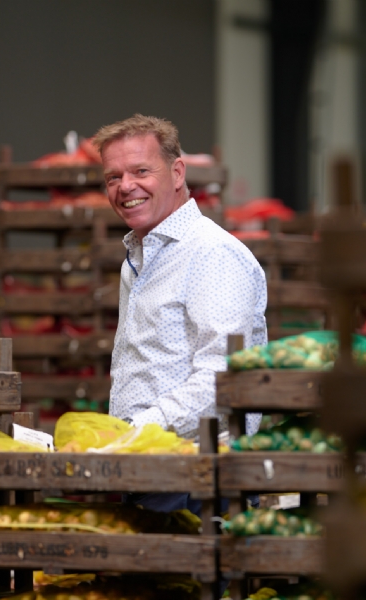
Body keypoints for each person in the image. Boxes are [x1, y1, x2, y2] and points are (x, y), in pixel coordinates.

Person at [92, 114, 267, 512]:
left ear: (176, 172)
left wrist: (134, 433)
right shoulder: (139, 259)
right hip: (150, 474)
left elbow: (222, 380)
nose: (125, 187)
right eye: (113, 177)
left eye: (140, 171)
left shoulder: (211, 254)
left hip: (201, 485)